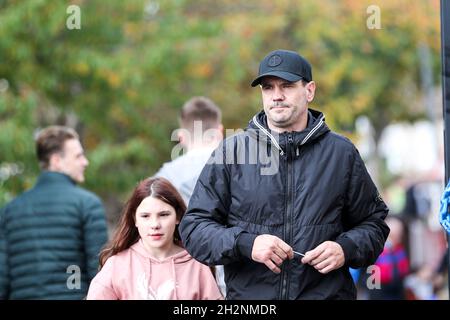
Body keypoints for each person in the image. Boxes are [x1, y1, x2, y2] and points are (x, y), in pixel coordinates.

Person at [179, 49, 390, 299]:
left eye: (287, 86)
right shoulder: (232, 151)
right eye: (268, 88)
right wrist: (246, 243)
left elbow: (374, 223)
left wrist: (345, 248)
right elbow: (193, 228)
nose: (276, 96)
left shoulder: (342, 153)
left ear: (309, 90)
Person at [0, 125, 108, 299]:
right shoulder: (87, 204)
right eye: (78, 156)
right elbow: (101, 277)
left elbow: (2, 278)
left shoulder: (10, 211)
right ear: (56, 161)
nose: (85, 162)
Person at [86, 177, 223, 300]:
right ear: (135, 219)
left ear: (178, 217)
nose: (155, 225)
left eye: (163, 215)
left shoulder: (196, 265)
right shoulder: (117, 265)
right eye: (145, 216)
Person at [154, 96, 226, 297]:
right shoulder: (242, 167)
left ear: (181, 137)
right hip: (237, 274)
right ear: (219, 131)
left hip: (185, 277)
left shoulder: (165, 177)